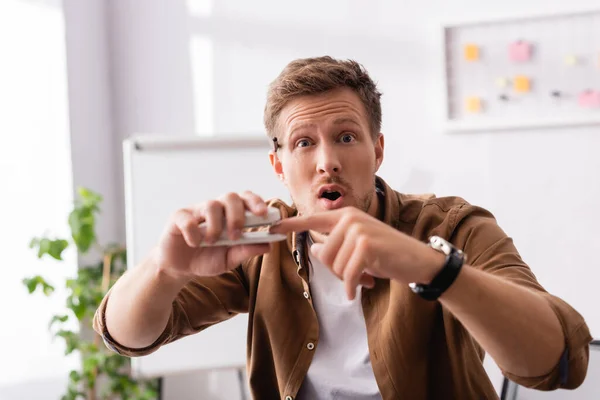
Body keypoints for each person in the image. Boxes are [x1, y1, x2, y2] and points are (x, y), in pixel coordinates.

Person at [93, 56, 592, 399]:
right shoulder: (261, 238)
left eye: (346, 136)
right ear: (278, 165)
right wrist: (164, 269)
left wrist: (432, 268)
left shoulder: (452, 225)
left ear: (378, 149)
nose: (327, 162)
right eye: (304, 143)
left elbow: (562, 362)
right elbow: (124, 335)